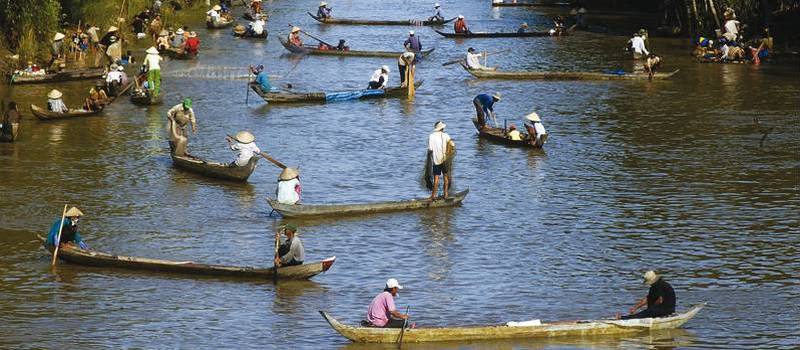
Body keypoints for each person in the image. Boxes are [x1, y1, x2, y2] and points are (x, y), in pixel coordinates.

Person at [428, 121, 453, 200]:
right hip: (445, 159)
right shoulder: (446, 135)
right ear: (442, 128)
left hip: (436, 160)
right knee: (445, 177)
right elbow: (452, 145)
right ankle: (446, 194)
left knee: (436, 178)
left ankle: (433, 195)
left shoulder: (431, 136)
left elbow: (430, 149)